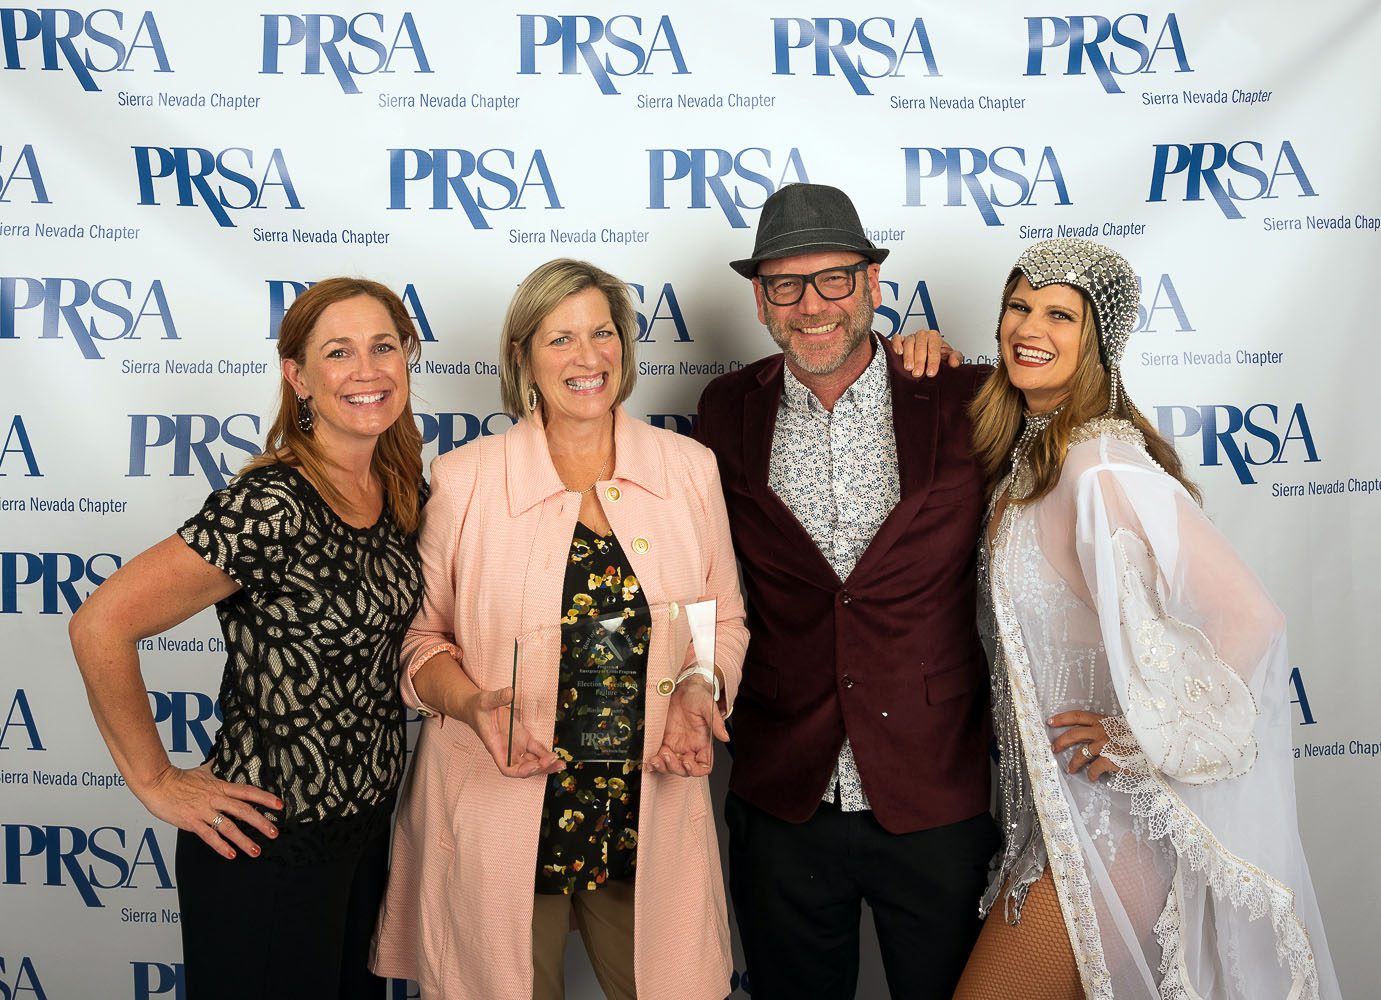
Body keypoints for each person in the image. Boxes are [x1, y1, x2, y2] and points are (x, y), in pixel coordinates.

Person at [949, 237, 1340, 999]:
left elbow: (1249, 617)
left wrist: (1133, 739)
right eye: (1019, 305)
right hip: (1054, 827)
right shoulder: (1033, 462)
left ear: (1099, 340)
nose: (1029, 327)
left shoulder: (1099, 467)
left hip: (1109, 832)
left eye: (1060, 314)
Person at [369, 258, 749, 1000]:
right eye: (559, 339)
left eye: (601, 333)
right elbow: (418, 643)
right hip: (501, 804)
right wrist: (474, 705)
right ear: (523, 359)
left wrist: (701, 683)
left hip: (643, 809)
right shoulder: (464, 479)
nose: (586, 358)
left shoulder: (688, 469)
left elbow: (720, 617)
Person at [69, 277, 428, 999]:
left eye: (382, 346)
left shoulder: (393, 486)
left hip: (360, 839)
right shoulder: (271, 504)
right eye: (339, 352)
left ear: (406, 359)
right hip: (267, 847)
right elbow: (100, 622)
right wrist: (156, 780)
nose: (367, 370)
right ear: (298, 375)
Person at [694, 182, 996, 1000]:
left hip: (934, 782)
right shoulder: (724, 408)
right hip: (785, 789)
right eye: (786, 285)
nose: (812, 305)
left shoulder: (966, 399)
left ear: (871, 285)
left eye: (833, 279)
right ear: (759, 301)